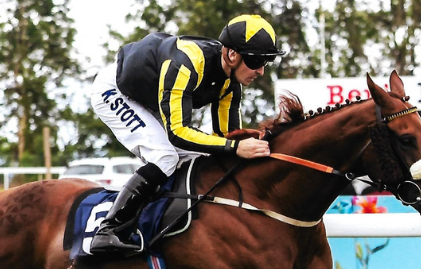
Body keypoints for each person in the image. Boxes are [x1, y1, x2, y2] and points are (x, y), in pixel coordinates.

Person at [87, 14, 281, 255]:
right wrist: (235, 147)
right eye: (257, 61)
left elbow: (227, 136)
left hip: (152, 97)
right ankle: (108, 230)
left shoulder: (231, 84)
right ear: (232, 55)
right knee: (164, 157)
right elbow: (178, 133)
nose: (261, 71)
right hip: (116, 91)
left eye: (266, 62)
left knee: (201, 158)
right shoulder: (187, 63)